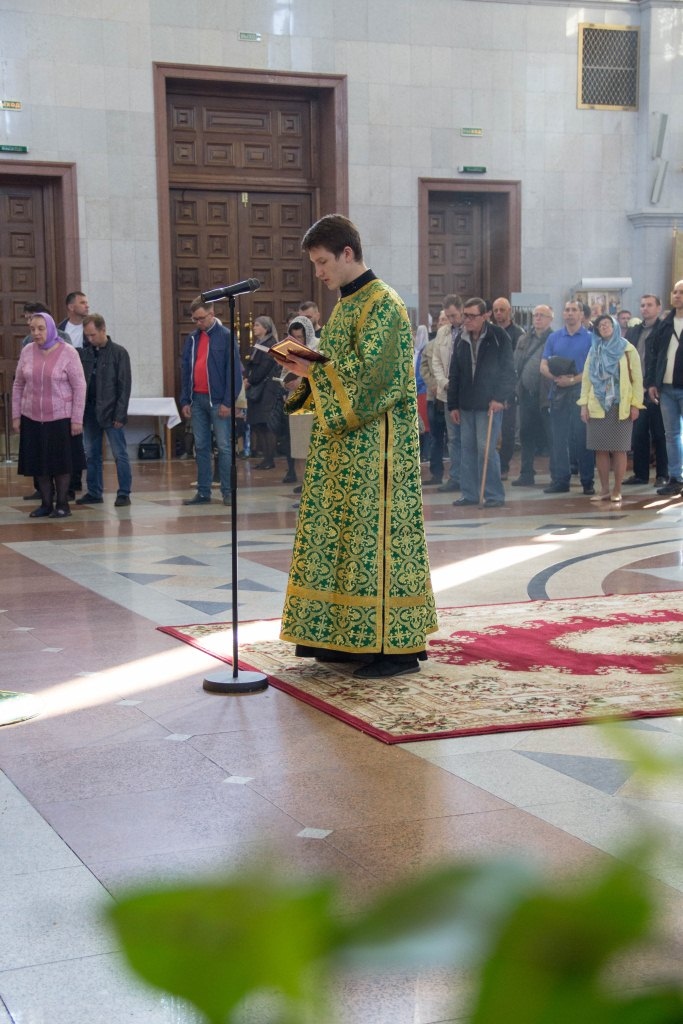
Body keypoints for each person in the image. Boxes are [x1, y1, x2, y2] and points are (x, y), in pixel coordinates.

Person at [276, 214, 437, 678]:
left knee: (374, 543)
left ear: (347, 253)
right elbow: (337, 367)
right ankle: (346, 639)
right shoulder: (347, 305)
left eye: (323, 262)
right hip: (344, 449)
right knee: (343, 542)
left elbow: (372, 380)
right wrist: (305, 375)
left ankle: (394, 649)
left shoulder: (383, 304)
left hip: (378, 453)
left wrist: (315, 371)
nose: (319, 272)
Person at [12, 313, 86, 518]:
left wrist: (77, 419)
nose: (36, 333)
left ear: (51, 329)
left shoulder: (68, 352)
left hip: (61, 418)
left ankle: (62, 504)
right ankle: (45, 504)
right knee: (39, 463)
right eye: (32, 329)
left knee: (61, 464)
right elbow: (18, 384)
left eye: (41, 329)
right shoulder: (27, 351)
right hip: (32, 417)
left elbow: (80, 387)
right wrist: (16, 415)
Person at [447, 297, 516, 509]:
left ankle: (494, 494)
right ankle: (469, 493)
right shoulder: (461, 338)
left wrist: (500, 398)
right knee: (467, 449)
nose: (467, 320)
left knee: (486, 449)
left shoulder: (498, 336)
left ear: (485, 316)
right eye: (465, 315)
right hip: (466, 404)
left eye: (472, 316)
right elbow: (455, 373)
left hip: (489, 404)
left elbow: (508, 371)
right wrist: (453, 405)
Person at [179, 296, 242, 506]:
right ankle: (203, 492)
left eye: (201, 318)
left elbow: (234, 372)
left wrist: (228, 402)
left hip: (218, 401)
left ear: (212, 314)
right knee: (201, 446)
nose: (198, 323)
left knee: (223, 446)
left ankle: (228, 492)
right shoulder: (192, 339)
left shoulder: (226, 336)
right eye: (195, 319)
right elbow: (186, 370)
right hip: (197, 399)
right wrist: (185, 400)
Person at [577, 314, 643, 504]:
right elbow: (587, 378)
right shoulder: (594, 349)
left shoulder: (628, 349)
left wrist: (636, 404)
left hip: (620, 405)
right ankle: (604, 488)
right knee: (600, 449)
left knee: (620, 449)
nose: (604, 327)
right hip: (598, 404)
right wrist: (584, 405)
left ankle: (617, 489)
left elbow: (637, 379)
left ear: (615, 326)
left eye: (607, 324)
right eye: (600, 325)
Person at [76, 314, 132, 507]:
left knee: (119, 453)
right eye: (87, 335)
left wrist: (120, 414)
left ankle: (124, 492)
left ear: (103, 330)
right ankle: (94, 491)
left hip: (111, 411)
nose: (90, 339)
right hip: (90, 411)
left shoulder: (119, 353)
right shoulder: (85, 354)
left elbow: (124, 386)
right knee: (91, 454)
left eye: (93, 334)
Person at [540, 300, 595, 494]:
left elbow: (593, 368)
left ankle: (587, 481)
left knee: (582, 438)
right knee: (558, 439)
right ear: (563, 314)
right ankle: (561, 480)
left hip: (581, 393)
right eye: (567, 310)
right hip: (558, 392)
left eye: (574, 310)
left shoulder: (590, 338)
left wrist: (572, 380)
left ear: (581, 314)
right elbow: (543, 365)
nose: (570, 313)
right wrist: (556, 378)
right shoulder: (554, 337)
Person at [624, 294, 667, 487]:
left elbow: (661, 359)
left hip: (655, 388)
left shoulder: (664, 329)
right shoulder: (634, 331)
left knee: (659, 433)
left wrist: (653, 383)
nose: (645, 308)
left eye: (649, 305)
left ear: (658, 307)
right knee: (639, 434)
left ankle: (663, 474)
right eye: (642, 305)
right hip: (636, 389)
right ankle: (640, 474)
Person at [645, 279, 683, 496]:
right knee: (671, 435)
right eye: (675, 292)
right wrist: (652, 382)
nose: (677, 295)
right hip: (666, 388)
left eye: (681, 292)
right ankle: (675, 477)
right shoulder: (665, 324)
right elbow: (653, 355)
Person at [512, 305, 554, 486]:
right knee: (526, 434)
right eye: (535, 315)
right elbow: (516, 363)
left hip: (547, 396)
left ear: (550, 319)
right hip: (526, 395)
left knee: (551, 436)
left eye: (542, 315)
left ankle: (557, 475)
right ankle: (526, 473)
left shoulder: (554, 339)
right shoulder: (524, 338)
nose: (537, 318)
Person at [432, 295, 463, 492]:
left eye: (454, 315)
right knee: (453, 438)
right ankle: (455, 477)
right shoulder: (443, 332)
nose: (452, 320)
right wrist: (444, 382)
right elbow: (435, 360)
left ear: (461, 310)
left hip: (466, 394)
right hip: (447, 393)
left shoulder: (470, 329)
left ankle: (470, 476)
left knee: (468, 438)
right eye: (448, 316)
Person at [491, 297, 524, 479]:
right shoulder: (490, 331)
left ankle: (503, 466)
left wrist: (510, 391)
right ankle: (492, 464)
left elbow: (516, 363)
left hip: (509, 387)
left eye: (502, 310)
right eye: (495, 310)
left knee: (507, 429)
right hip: (491, 387)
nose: (498, 313)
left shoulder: (517, 333)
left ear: (509, 311)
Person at [244, 316, 280, 472]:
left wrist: (250, 380)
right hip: (258, 389)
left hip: (266, 390)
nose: (254, 328)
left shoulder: (270, 345)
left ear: (266, 328)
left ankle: (269, 459)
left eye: (257, 325)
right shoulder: (259, 344)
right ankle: (265, 458)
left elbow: (264, 367)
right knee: (258, 424)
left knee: (265, 425)